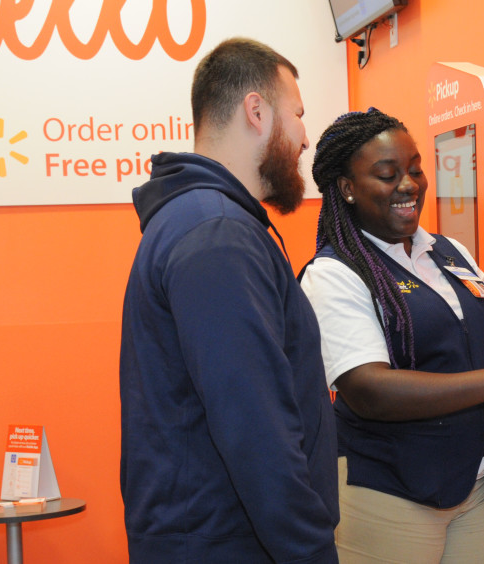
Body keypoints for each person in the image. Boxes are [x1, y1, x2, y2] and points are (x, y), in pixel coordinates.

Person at [299, 108, 484, 563]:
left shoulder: (448, 253)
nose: (409, 185)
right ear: (347, 188)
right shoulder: (334, 274)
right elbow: (370, 390)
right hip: (389, 490)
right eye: (388, 175)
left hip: (481, 482)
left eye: (415, 170)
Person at [119, 38, 338, 563]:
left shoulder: (206, 221)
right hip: (229, 544)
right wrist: (311, 553)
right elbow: (255, 427)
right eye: (298, 114)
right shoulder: (217, 233)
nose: (305, 137)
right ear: (256, 111)